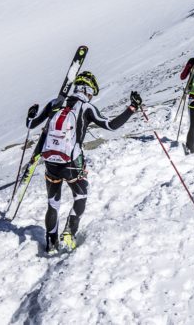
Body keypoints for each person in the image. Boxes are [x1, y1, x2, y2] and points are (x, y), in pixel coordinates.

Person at [25, 71, 143, 253]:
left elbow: (31, 124)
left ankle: (50, 242)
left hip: (50, 162)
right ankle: (69, 233)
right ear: (89, 90)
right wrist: (132, 107)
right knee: (80, 195)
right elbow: (111, 126)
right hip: (71, 163)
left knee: (53, 204)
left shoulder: (55, 102)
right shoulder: (86, 108)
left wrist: (31, 113)